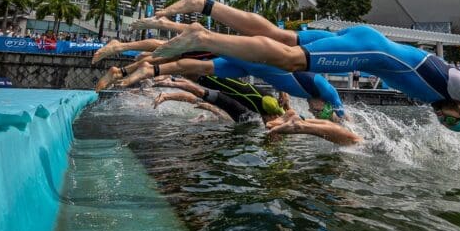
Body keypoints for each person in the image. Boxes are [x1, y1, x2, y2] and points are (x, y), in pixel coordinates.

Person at [146, 0, 460, 164]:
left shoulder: (440, 101)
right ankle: (205, 36)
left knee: (281, 37)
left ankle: (206, 4)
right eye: (450, 119)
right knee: (292, 60)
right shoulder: (459, 86)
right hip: (368, 49)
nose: (442, 120)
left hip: (364, 46)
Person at [95, 18, 347, 122]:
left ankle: (127, 70)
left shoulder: (306, 89)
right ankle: (158, 31)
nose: (313, 112)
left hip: (244, 67)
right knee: (198, 41)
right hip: (254, 60)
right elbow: (339, 111)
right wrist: (340, 119)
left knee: (185, 55)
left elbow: (286, 94)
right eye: (318, 112)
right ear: (322, 105)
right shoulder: (323, 88)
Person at [152, 77, 362, 146]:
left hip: (239, 105)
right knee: (205, 98)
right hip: (238, 106)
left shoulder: (267, 110)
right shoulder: (268, 112)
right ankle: (173, 85)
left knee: (204, 97)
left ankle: (173, 84)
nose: (310, 107)